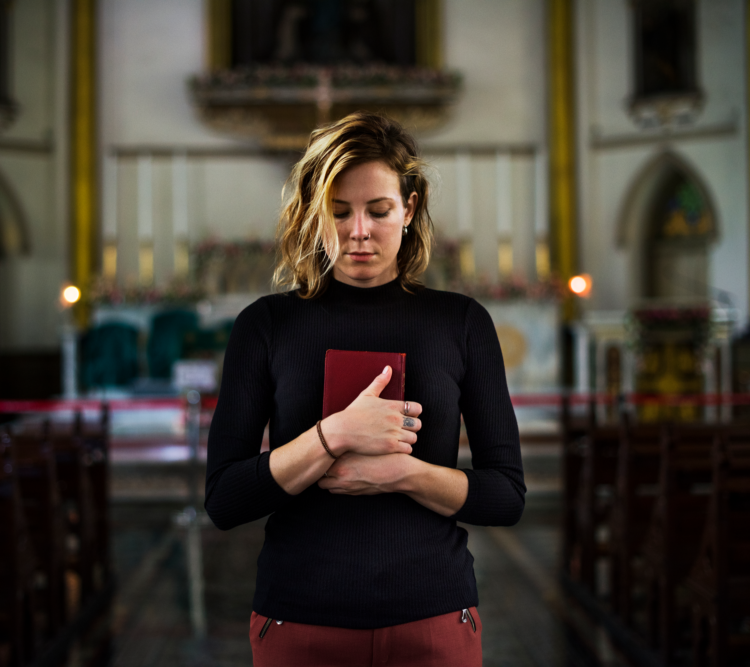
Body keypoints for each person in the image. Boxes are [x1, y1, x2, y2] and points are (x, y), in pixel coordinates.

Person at [205, 111, 525, 667]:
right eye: (338, 212)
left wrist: (404, 474)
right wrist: (334, 435)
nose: (359, 231)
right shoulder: (267, 325)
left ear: (410, 208)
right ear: (313, 216)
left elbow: (507, 496)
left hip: (433, 617)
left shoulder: (462, 323)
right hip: (300, 617)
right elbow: (225, 500)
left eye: (378, 211)